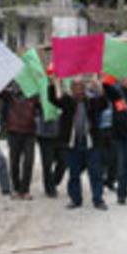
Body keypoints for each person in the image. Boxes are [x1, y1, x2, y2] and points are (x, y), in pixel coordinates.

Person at [48, 75, 109, 210]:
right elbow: (52, 98)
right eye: (76, 88)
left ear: (84, 88)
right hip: (72, 144)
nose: (79, 91)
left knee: (95, 173)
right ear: (71, 89)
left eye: (81, 87)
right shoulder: (68, 102)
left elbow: (104, 102)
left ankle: (98, 200)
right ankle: (75, 200)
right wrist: (55, 83)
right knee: (74, 173)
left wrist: (98, 85)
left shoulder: (92, 102)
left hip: (91, 144)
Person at [1, 85, 39, 200]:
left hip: (29, 133)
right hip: (14, 132)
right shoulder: (10, 95)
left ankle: (25, 190)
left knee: (28, 161)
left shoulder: (34, 96)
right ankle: (17, 189)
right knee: (14, 162)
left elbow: (44, 107)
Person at [36, 107, 66, 198]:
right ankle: (49, 188)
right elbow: (37, 114)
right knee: (47, 163)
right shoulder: (42, 98)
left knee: (64, 161)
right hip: (45, 135)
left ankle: (53, 181)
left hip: (61, 135)